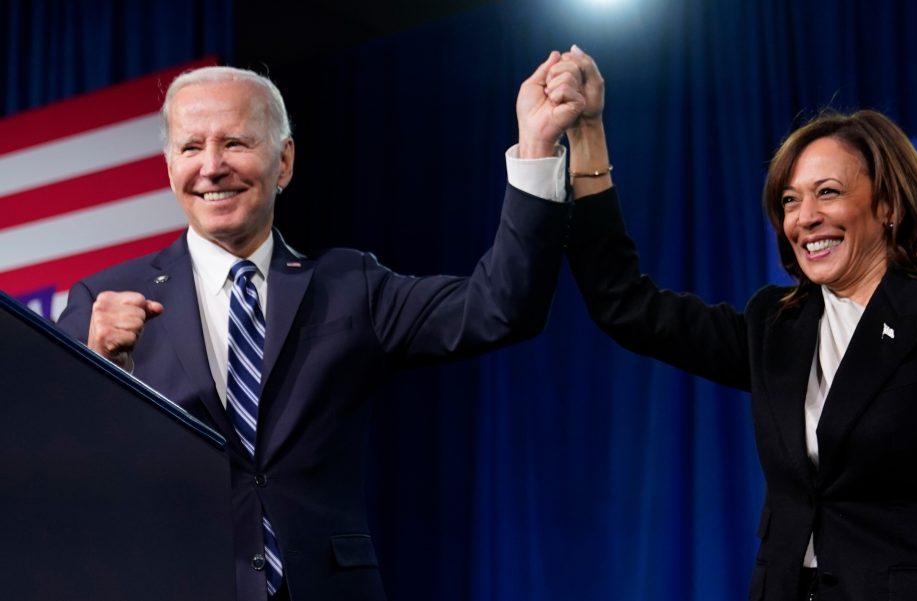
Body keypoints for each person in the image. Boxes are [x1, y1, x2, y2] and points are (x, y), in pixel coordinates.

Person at [56, 53, 586, 601]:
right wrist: (100, 372)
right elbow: (54, 469)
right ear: (170, 168)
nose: (212, 166)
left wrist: (536, 147)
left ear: (283, 162)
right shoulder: (104, 301)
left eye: (235, 143)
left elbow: (500, 307)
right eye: (191, 147)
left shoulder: (349, 284)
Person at [558, 48, 917, 601]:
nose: (804, 217)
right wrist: (587, 136)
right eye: (789, 200)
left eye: (828, 192)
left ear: (889, 205)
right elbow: (626, 306)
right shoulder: (775, 325)